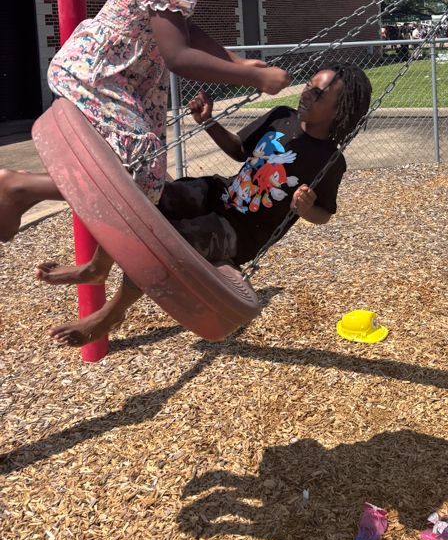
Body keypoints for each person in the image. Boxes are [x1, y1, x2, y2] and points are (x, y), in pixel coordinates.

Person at [0, 0, 290, 245]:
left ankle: (101, 254)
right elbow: (179, 56)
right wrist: (253, 77)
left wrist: (235, 60)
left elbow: (188, 30)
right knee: (142, 169)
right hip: (98, 74)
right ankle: (20, 187)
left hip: (131, 81)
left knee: (149, 179)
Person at [42, 63, 373, 346]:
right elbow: (239, 150)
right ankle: (97, 267)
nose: (306, 94)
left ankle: (110, 316)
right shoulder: (281, 117)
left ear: (339, 110)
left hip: (240, 232)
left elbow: (324, 214)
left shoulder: (329, 159)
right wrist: (208, 122)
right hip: (220, 194)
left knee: (169, 244)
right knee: (146, 194)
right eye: (309, 86)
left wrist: (305, 209)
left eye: (318, 95)